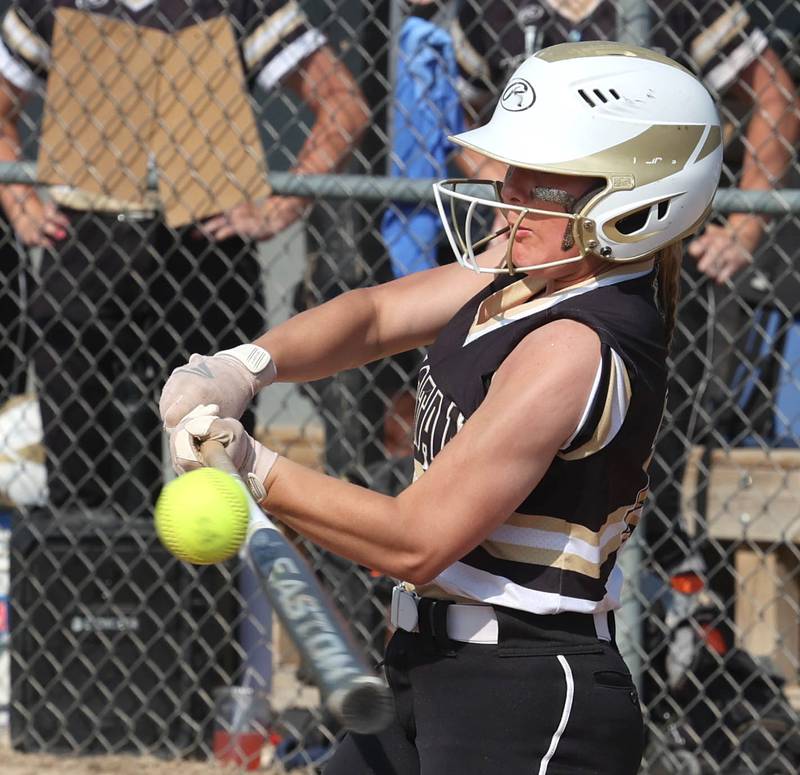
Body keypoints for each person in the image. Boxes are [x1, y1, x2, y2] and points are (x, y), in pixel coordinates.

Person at [159, 42, 722, 773]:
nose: (508, 189)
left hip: (523, 699)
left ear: (632, 203)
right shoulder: (528, 267)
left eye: (541, 177)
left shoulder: (576, 347)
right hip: (425, 668)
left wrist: (254, 465)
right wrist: (240, 368)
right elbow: (372, 316)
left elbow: (416, 539)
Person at [448, 0, 800, 576]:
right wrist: (514, 209)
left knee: (641, 458)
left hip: (641, 264)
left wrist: (746, 223)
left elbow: (776, 97)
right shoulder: (488, 11)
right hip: (537, 267)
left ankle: (656, 600)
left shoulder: (682, 7)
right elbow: (478, 132)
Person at [0, 0, 368, 518]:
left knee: (213, 460)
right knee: (78, 473)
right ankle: (87, 581)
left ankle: (205, 596)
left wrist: (279, 206)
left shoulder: (237, 5)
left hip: (205, 246)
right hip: (84, 241)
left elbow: (343, 103)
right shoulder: (56, 5)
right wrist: (19, 202)